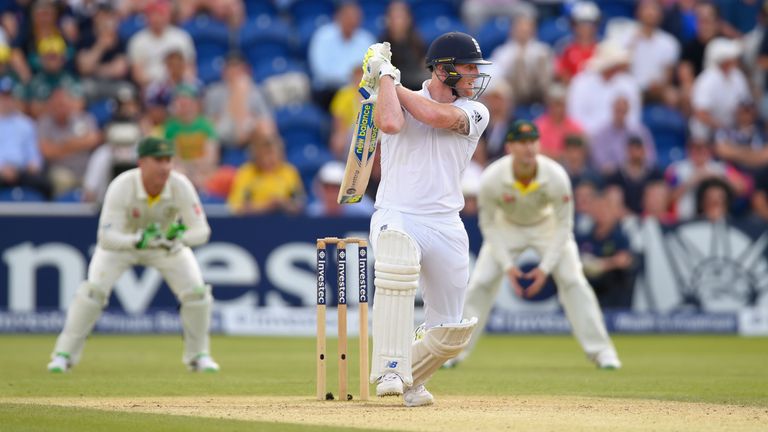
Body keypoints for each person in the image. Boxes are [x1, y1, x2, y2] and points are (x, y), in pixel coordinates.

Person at [360, 32, 491, 407]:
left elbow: (435, 116)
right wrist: (386, 79)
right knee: (397, 266)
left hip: (446, 222)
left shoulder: (475, 111)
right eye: (468, 68)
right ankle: (388, 367)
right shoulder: (398, 94)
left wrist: (387, 75)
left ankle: (411, 380)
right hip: (397, 212)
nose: (474, 76)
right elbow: (388, 124)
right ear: (444, 69)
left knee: (451, 331)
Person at [446, 120, 621, 370]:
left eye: (532, 141)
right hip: (507, 227)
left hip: (546, 226)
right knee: (481, 283)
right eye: (521, 142)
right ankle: (454, 353)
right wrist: (507, 266)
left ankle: (602, 352)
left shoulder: (556, 176)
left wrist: (545, 269)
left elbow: (563, 226)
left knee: (573, 281)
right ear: (509, 146)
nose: (528, 148)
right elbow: (489, 224)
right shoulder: (492, 178)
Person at [47, 136, 219, 373]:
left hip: (164, 246)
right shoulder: (122, 185)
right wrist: (137, 240)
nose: (165, 167)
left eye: (168, 160)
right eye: (158, 160)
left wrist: (179, 238)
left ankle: (199, 356)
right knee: (92, 292)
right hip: (123, 248)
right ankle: (63, 355)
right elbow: (107, 237)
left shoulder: (180, 185)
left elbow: (201, 231)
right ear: (142, 162)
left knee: (198, 294)